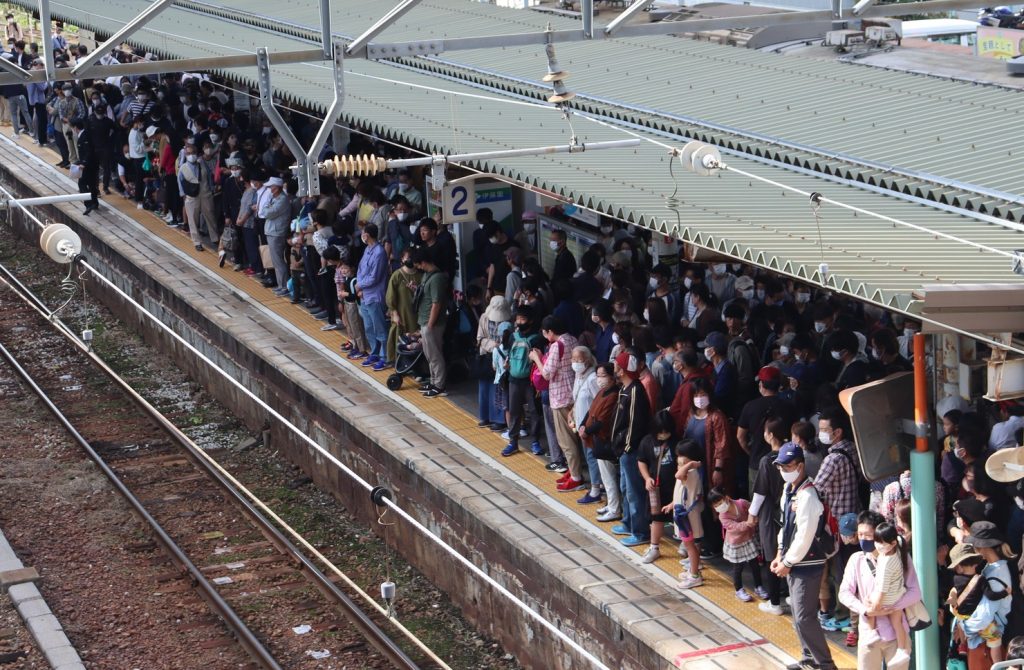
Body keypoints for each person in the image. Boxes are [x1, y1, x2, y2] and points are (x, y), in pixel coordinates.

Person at [771, 442, 837, 670]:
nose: (784, 470)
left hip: (808, 563)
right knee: (800, 616)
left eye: (788, 465)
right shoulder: (789, 491)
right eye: (781, 465)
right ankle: (809, 659)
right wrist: (780, 553)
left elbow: (805, 535)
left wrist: (787, 561)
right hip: (794, 561)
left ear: (800, 466)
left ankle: (825, 664)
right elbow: (785, 527)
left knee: (804, 617)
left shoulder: (808, 495)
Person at [839, 510, 923, 669]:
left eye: (868, 535)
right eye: (860, 535)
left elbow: (915, 592)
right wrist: (865, 610)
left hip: (897, 636)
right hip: (868, 636)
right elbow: (844, 593)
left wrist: (890, 607)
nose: (863, 539)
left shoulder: (900, 558)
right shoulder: (857, 560)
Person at [530, 315, 582, 490]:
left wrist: (536, 358)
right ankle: (573, 470)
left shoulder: (556, 346)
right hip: (573, 393)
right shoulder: (573, 340)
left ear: (550, 332)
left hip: (560, 397)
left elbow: (547, 374)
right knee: (573, 436)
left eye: (545, 333)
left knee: (566, 440)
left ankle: (576, 477)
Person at [609, 350, 651, 548]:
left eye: (618, 364)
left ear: (624, 369)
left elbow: (635, 423)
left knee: (635, 492)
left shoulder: (635, 390)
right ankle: (628, 522)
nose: (614, 367)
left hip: (631, 450)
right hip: (624, 449)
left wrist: (626, 447)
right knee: (626, 488)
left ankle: (641, 531)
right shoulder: (625, 388)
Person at [860, 522, 913, 667]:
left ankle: (871, 632)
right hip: (897, 596)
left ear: (892, 543)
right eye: (876, 541)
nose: (878, 545)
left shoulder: (885, 562)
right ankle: (902, 650)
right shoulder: (897, 551)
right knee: (897, 624)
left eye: (882, 543)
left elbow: (881, 589)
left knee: (869, 602)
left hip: (886, 598)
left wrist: (874, 609)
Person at [708, 487, 767, 602]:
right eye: (716, 506)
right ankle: (738, 589)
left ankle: (758, 586)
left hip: (748, 539)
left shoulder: (741, 503)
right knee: (738, 567)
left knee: (755, 564)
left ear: (727, 498)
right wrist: (748, 523)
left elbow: (753, 509)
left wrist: (754, 518)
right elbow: (734, 528)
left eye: (720, 503)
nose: (719, 507)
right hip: (736, 543)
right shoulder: (722, 516)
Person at [636, 410, 679, 564]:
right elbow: (641, 461)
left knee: (681, 517)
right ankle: (654, 547)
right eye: (660, 432)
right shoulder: (647, 441)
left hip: (675, 487)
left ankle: (687, 546)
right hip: (656, 488)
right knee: (656, 518)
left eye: (666, 432)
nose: (663, 435)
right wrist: (647, 478)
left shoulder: (677, 442)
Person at [412, 245, 449, 398]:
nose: (418, 268)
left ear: (423, 262)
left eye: (418, 264)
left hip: (432, 323)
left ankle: (439, 384)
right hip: (425, 320)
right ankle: (433, 380)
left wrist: (430, 324)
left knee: (435, 354)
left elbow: (436, 303)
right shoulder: (428, 275)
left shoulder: (437, 278)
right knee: (429, 353)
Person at [669, 439, 705, 589]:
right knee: (691, 546)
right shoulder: (687, 473)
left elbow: (678, 475)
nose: (679, 468)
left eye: (682, 463)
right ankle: (693, 570)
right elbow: (680, 493)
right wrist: (670, 505)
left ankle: (695, 575)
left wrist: (690, 465)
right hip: (683, 515)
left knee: (691, 546)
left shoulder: (690, 473)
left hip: (687, 518)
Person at [569, 346, 602, 505]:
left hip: (591, 427)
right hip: (581, 426)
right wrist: (572, 412)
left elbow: (599, 403)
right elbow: (578, 398)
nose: (575, 363)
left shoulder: (592, 378)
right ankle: (597, 485)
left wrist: (589, 425)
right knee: (589, 457)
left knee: (592, 457)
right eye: (573, 359)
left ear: (588, 360)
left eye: (579, 360)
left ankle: (596, 489)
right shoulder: (579, 376)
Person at [355, 222, 391, 370]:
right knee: (369, 326)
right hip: (364, 295)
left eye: (363, 233)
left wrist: (360, 285)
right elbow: (360, 269)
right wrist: (359, 285)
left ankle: (385, 356)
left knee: (380, 327)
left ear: (367, 235)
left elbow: (374, 277)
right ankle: (375, 352)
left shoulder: (379, 253)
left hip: (375, 296)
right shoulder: (367, 250)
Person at [259, 176, 289, 290]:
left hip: (277, 233)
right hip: (272, 231)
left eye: (271, 186)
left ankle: (284, 286)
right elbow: (265, 210)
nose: (269, 189)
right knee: (275, 261)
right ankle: (280, 284)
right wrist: (267, 206)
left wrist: (266, 206)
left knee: (279, 261)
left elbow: (267, 213)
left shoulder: (282, 200)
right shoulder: (274, 198)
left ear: (276, 188)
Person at [71, 118, 99, 215]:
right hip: (91, 164)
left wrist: (83, 163)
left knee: (82, 184)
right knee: (92, 184)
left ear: (75, 127)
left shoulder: (84, 136)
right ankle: (95, 202)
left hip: (88, 165)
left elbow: (88, 151)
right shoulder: (84, 134)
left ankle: (88, 203)